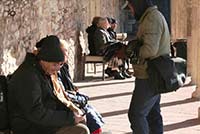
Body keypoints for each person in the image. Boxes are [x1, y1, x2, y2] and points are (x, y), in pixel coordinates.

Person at [7, 35, 90, 134]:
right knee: (80, 130)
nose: (57, 69)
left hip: (41, 122)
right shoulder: (28, 76)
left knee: (83, 121)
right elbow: (35, 112)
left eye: (60, 64)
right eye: (54, 64)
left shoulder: (42, 72)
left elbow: (52, 100)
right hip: (29, 126)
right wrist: (70, 118)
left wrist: (73, 113)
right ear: (43, 60)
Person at [126, 0, 171, 134]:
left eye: (131, 8)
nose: (131, 12)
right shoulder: (151, 17)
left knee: (136, 114)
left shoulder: (152, 18)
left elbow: (149, 50)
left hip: (149, 76)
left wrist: (130, 51)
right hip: (152, 74)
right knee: (152, 115)